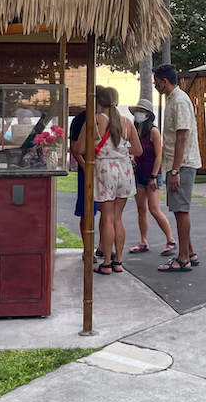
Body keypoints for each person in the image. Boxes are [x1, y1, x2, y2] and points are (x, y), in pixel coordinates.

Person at [73, 87, 141, 275]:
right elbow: (138, 150)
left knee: (107, 217)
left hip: (104, 171)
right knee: (118, 218)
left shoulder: (94, 122)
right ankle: (118, 261)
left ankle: (107, 263)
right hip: (124, 171)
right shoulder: (127, 122)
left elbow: (78, 149)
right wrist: (121, 152)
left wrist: (91, 160)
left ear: (98, 102)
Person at [153, 63, 202, 272]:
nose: (155, 86)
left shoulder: (180, 100)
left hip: (182, 164)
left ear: (164, 81)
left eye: (156, 82)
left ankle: (182, 259)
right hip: (178, 163)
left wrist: (174, 171)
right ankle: (189, 251)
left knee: (181, 210)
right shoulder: (173, 99)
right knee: (178, 210)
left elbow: (182, 136)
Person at [127, 99, 175, 255]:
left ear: (148, 114)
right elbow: (135, 150)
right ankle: (143, 241)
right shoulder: (135, 130)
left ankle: (170, 239)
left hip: (152, 174)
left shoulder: (153, 131)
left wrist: (154, 176)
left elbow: (159, 155)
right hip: (139, 173)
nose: (138, 115)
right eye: (136, 112)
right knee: (141, 209)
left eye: (141, 112)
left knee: (154, 209)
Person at [70, 86, 105, 222]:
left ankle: (103, 244)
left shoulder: (108, 119)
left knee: (107, 211)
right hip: (87, 169)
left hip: (105, 168)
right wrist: (86, 167)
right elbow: (74, 147)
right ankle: (88, 244)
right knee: (87, 210)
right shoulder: (80, 119)